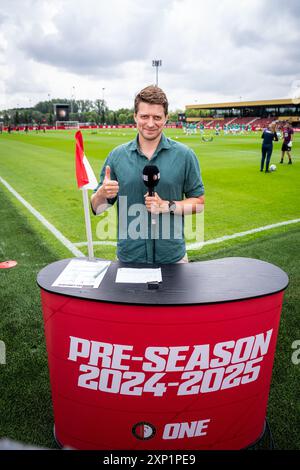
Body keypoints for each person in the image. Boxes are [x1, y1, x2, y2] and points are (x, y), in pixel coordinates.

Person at [91, 85, 205, 264]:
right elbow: (97, 209)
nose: (150, 123)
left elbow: (199, 203)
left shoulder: (185, 155)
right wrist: (101, 194)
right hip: (129, 259)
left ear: (166, 118)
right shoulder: (117, 156)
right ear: (135, 116)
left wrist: (167, 206)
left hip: (173, 259)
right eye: (144, 116)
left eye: (157, 117)